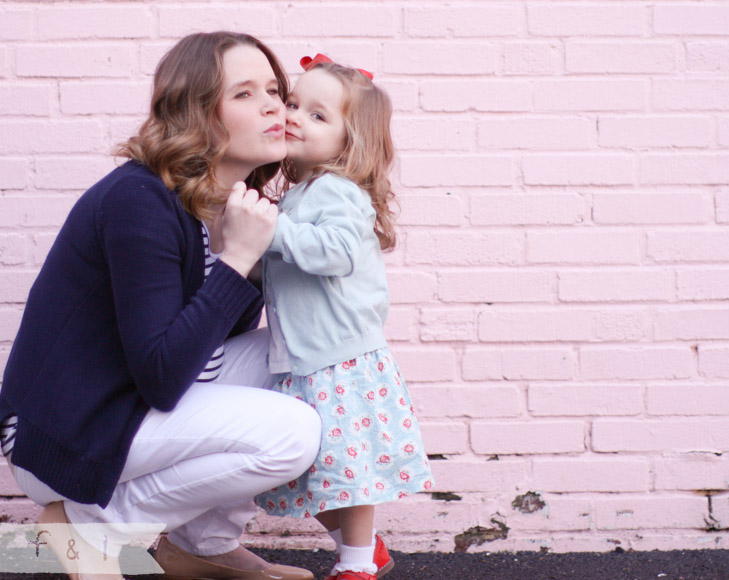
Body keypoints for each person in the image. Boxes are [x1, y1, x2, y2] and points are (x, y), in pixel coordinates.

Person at [0, 32, 322, 580]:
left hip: (133, 409)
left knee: (308, 357)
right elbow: (162, 375)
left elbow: (209, 349)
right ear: (195, 114)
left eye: (273, 89)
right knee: (293, 432)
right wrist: (237, 259)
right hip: (67, 434)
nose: (273, 104)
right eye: (243, 94)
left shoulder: (225, 206)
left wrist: (243, 253)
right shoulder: (139, 200)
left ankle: (202, 548)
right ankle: (87, 528)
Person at [253, 54, 434, 580]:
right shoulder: (296, 197)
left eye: (317, 115)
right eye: (292, 104)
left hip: (341, 361)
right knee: (315, 472)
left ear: (349, 141)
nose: (292, 117)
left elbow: (335, 253)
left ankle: (357, 564)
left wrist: (267, 231)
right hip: (304, 359)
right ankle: (366, 548)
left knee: (346, 473)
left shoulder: (338, 192)